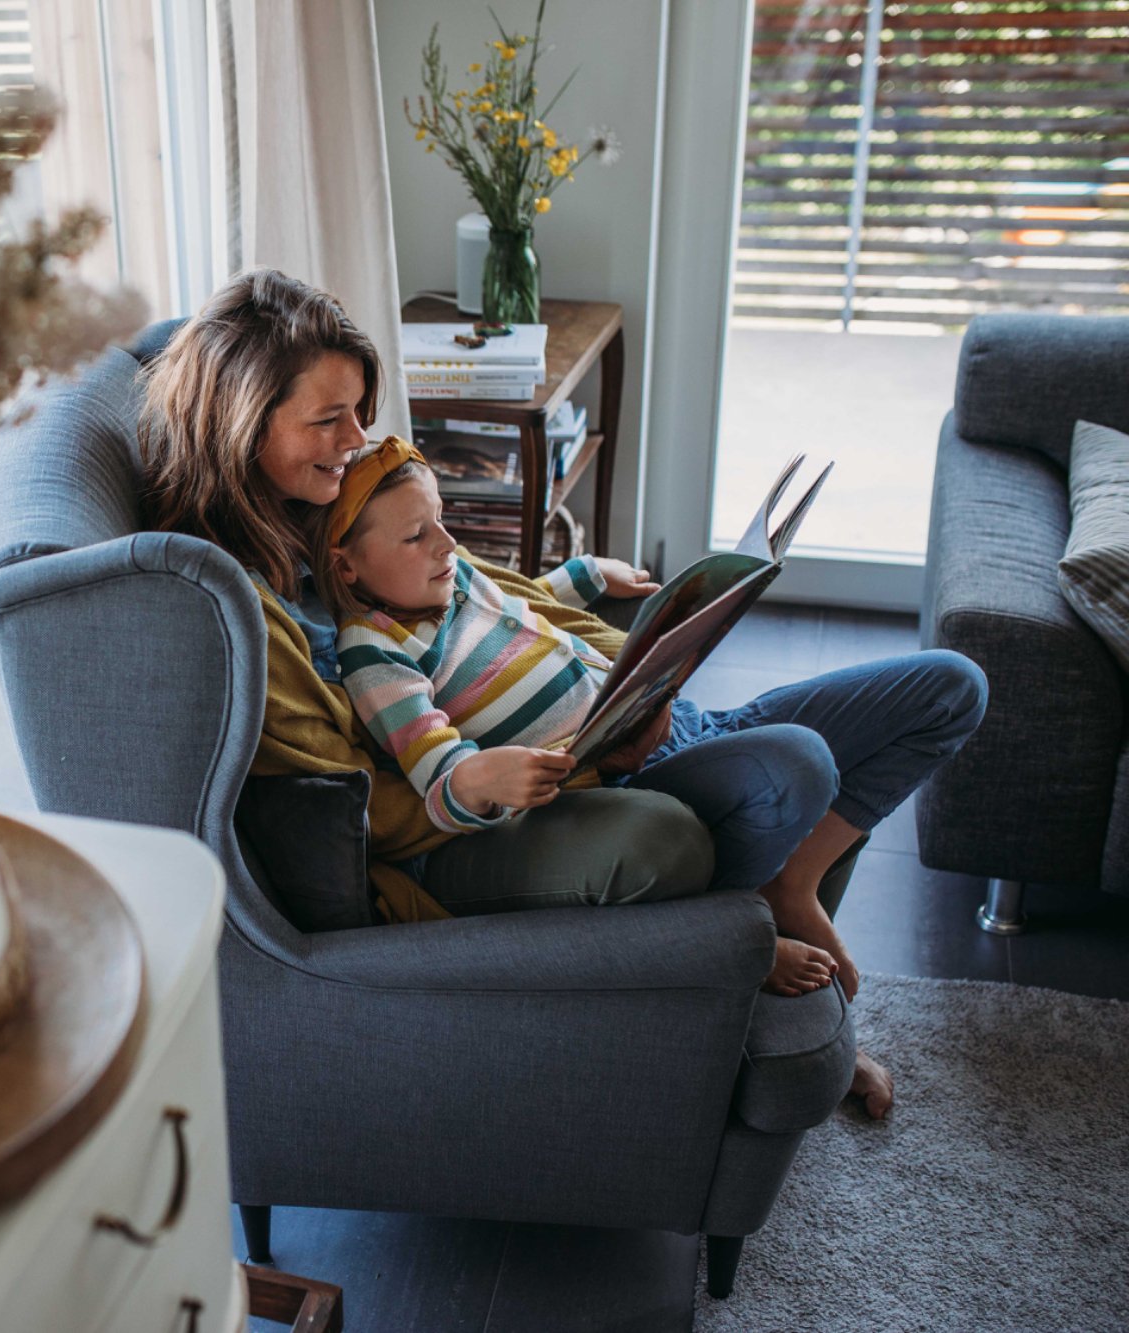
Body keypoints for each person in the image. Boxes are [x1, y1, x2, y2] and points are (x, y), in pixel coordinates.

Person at [140, 268, 989, 1119]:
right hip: (533, 793)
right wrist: (578, 761)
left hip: (643, 717)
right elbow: (353, 804)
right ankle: (770, 966)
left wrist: (642, 650)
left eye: (360, 410)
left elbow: (501, 594)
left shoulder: (331, 496)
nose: (358, 437)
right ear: (244, 423)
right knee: (785, 773)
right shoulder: (240, 598)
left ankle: (784, 893)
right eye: (329, 419)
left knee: (947, 687)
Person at [318, 438, 833, 997]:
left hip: (628, 718)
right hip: (582, 777)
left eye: (441, 519)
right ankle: (743, 938)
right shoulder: (374, 652)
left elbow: (516, 607)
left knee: (901, 703)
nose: (448, 544)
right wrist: (484, 778)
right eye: (417, 535)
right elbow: (437, 776)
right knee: (780, 772)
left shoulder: (445, 575)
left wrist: (586, 575)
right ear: (346, 565)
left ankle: (770, 896)